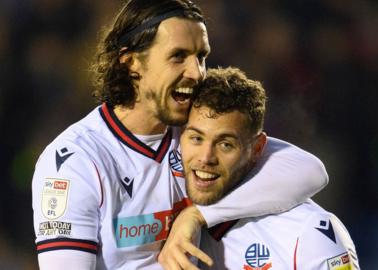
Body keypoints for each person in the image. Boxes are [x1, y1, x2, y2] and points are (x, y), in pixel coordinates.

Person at [31, 0, 328, 269]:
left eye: (201, 56)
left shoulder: (195, 131)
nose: (197, 72)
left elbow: (310, 172)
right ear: (131, 61)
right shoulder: (75, 162)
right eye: (178, 56)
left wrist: (197, 216)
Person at [160, 67, 359, 269]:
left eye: (226, 144)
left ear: (257, 148)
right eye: (196, 138)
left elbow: (315, 171)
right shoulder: (160, 207)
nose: (206, 158)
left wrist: (197, 215)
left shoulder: (310, 231)